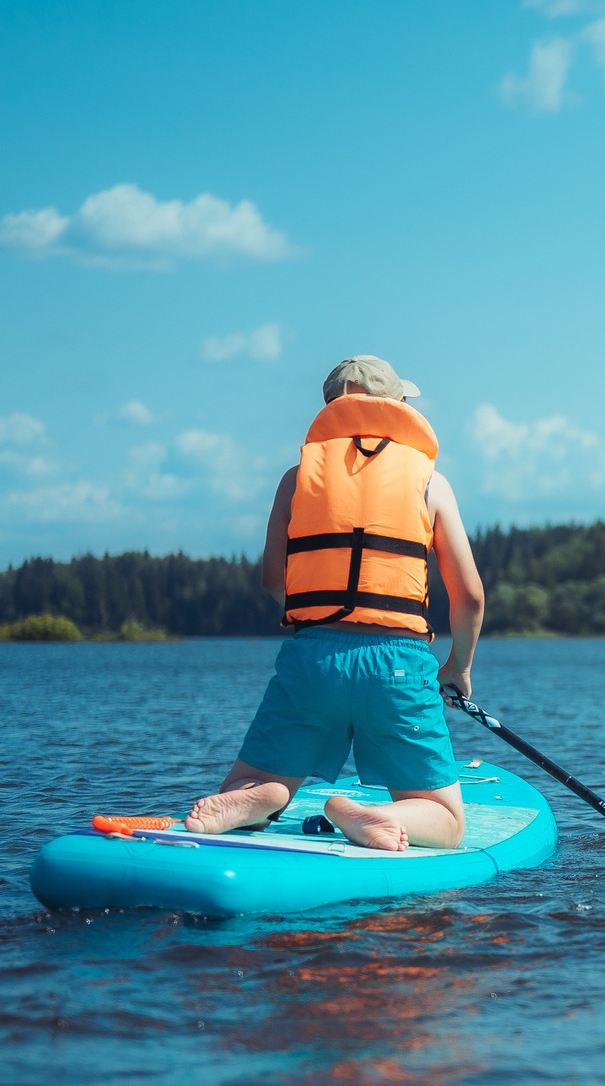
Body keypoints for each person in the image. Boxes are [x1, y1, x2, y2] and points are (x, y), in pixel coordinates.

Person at [184, 356, 486, 851]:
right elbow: (469, 595)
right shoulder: (429, 480)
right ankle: (375, 814)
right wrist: (458, 666)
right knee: (446, 819)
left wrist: (321, 623)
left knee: (256, 779)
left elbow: (272, 578)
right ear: (395, 407)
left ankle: (256, 798)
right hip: (397, 664)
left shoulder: (297, 476)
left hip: (312, 658)